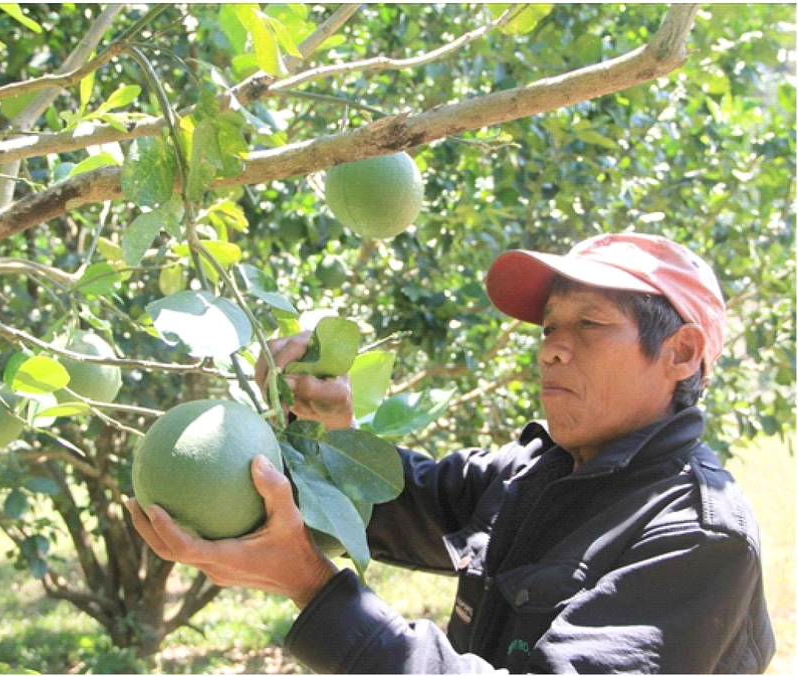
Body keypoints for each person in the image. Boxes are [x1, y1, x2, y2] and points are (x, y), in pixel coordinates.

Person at [127, 232, 776, 673]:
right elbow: (404, 501)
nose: (550, 347)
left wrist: (309, 583)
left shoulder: (695, 536)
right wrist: (329, 438)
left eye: (589, 324)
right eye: (549, 326)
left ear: (681, 353)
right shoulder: (539, 472)